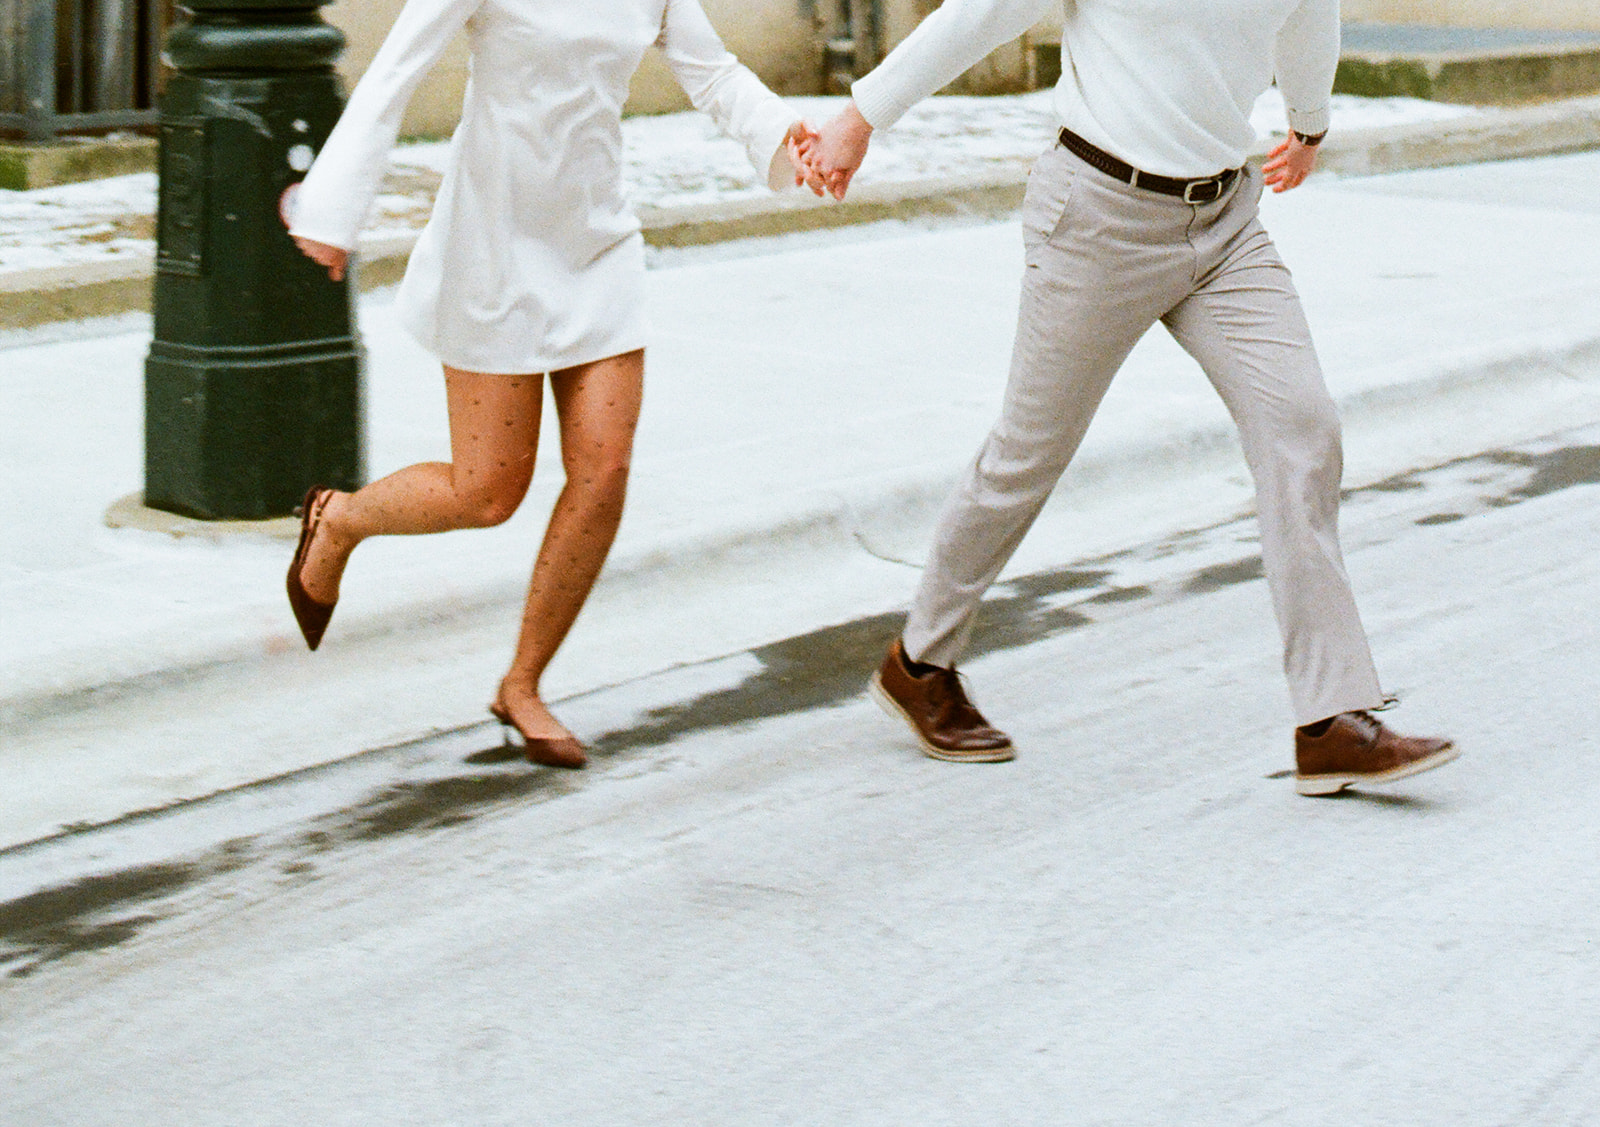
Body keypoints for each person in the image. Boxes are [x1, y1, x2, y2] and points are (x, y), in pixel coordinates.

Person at [811, 0, 1458, 796]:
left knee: (1303, 429)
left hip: (1223, 222)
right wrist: (862, 116)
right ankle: (919, 664)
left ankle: (1333, 721)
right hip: (1098, 221)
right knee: (1026, 456)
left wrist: (1310, 120)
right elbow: (984, 12)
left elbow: (1308, 17)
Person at [284, 0, 824, 769]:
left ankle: (523, 684)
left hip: (596, 241)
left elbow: (715, 74)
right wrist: (334, 211)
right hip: (493, 248)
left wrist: (783, 136)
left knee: (603, 471)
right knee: (487, 493)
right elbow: (393, 73)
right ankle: (338, 520)